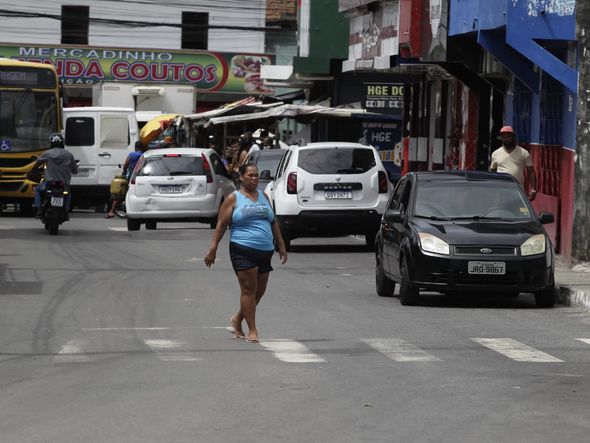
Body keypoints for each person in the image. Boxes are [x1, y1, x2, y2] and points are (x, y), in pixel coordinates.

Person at [204, 163, 288, 343]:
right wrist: (213, 249)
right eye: (250, 175)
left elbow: (273, 221)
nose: (254, 178)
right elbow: (221, 224)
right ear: (241, 177)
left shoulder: (264, 196)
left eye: (256, 175)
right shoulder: (234, 199)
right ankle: (252, 330)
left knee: (259, 291)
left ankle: (236, 319)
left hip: (265, 250)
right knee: (249, 289)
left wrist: (281, 245)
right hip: (242, 248)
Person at [33, 133, 78, 217]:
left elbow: (37, 164)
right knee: (68, 194)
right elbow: (75, 170)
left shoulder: (47, 154)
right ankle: (66, 212)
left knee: (37, 190)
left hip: (50, 182)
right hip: (64, 183)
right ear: (62, 143)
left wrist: (33, 169)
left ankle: (38, 208)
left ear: (51, 143)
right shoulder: (69, 155)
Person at [490, 126, 537, 201]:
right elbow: (492, 173)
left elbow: (531, 172)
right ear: (501, 138)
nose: (507, 139)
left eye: (509, 137)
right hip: (500, 193)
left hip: (518, 192)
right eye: (504, 137)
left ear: (513, 137)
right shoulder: (496, 154)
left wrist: (533, 190)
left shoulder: (524, 153)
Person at [105, 141, 144, 218]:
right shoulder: (143, 155)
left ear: (135, 147)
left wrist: (125, 171)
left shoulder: (131, 154)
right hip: (140, 178)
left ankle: (111, 211)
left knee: (120, 193)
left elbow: (125, 165)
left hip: (130, 177)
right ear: (142, 147)